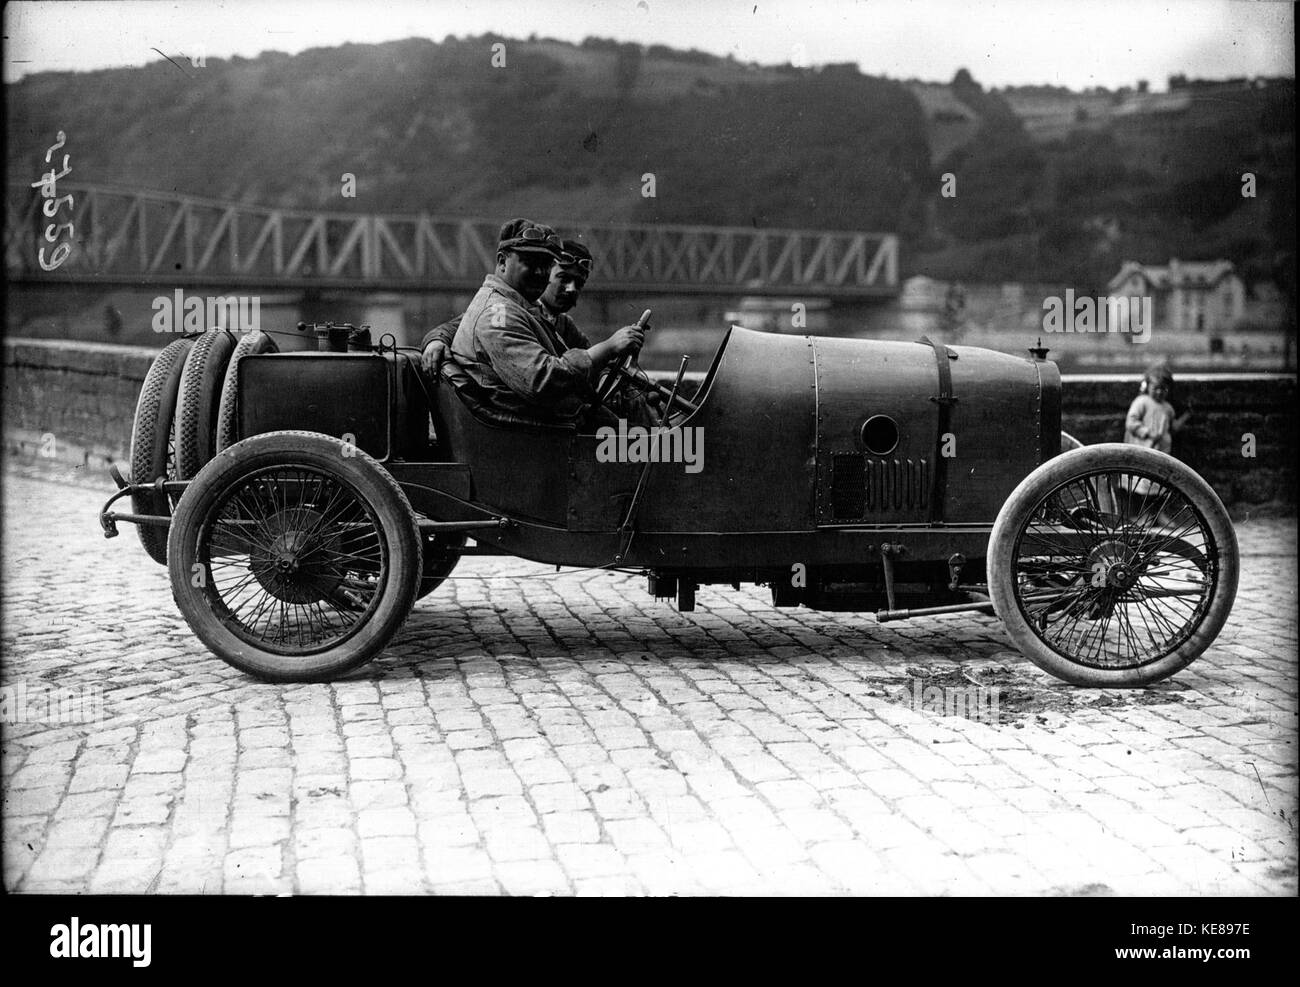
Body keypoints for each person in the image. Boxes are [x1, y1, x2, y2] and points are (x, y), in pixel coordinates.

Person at [422, 225, 655, 426]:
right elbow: (542, 379)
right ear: (502, 262)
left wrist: (615, 366)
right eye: (564, 278)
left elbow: (591, 358)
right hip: (538, 431)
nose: (540, 273)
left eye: (545, 265)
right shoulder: (501, 312)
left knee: (634, 404)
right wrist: (436, 340)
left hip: (552, 418)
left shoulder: (551, 319)